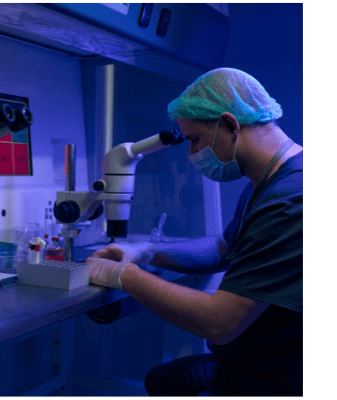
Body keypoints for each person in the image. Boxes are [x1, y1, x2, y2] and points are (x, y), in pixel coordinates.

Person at [87, 68, 303, 396]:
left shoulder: (290, 198)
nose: (192, 155)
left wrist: (124, 276)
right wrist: (147, 251)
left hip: (275, 377)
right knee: (163, 379)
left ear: (230, 125)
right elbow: (224, 247)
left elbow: (220, 322)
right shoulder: (269, 179)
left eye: (195, 140)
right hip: (253, 359)